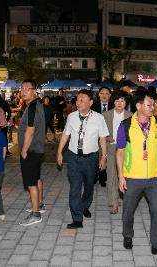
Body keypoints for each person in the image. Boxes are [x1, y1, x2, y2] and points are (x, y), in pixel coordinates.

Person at [115, 90, 157, 261]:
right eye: (149, 105)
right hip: (132, 177)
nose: (152, 107)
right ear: (138, 106)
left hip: (154, 177)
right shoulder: (125, 125)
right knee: (128, 211)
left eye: (153, 104)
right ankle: (128, 235)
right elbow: (120, 152)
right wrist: (121, 176)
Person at [57, 89, 108, 229]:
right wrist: (59, 152)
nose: (78, 102)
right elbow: (65, 135)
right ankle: (77, 218)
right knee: (74, 188)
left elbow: (102, 138)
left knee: (89, 185)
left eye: (82, 100)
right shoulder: (71, 116)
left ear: (90, 102)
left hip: (91, 158)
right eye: (77, 99)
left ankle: (85, 205)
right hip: (73, 157)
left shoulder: (99, 118)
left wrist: (104, 157)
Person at [18, 79, 46, 227]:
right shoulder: (35, 105)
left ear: (34, 91)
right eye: (21, 89)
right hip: (37, 149)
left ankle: (35, 214)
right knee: (37, 178)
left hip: (31, 150)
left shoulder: (33, 107)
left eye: (26, 89)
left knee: (31, 183)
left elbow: (30, 131)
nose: (23, 92)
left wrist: (23, 151)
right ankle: (40, 205)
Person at [103, 90, 132, 214]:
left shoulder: (131, 116)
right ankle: (113, 202)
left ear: (126, 103)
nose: (119, 103)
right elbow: (101, 133)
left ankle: (123, 197)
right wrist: (106, 137)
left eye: (122, 100)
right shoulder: (106, 115)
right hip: (110, 148)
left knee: (124, 176)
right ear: (113, 101)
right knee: (111, 176)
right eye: (117, 100)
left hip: (126, 150)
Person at [92, 86, 114, 187]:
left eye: (106, 93)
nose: (104, 95)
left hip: (109, 136)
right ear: (99, 95)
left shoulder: (114, 106)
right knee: (96, 156)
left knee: (106, 156)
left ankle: (103, 177)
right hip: (95, 136)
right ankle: (94, 176)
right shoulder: (93, 106)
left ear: (110, 95)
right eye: (102, 93)